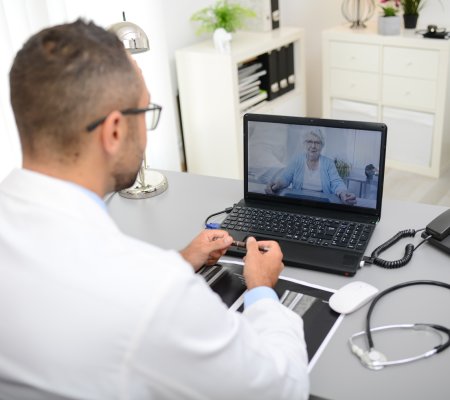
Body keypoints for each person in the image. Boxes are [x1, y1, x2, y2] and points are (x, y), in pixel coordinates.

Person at [0, 19, 309, 399]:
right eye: (145, 112)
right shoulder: (154, 293)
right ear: (114, 131)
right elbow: (281, 387)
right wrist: (261, 292)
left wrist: (182, 259)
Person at [266, 128, 357, 204]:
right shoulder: (297, 160)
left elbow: (336, 182)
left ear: (322, 146)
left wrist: (343, 193)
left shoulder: (328, 163)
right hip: (299, 202)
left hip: (322, 204)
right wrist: (277, 184)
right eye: (309, 141)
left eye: (317, 142)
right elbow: (285, 178)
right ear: (304, 144)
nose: (313, 146)